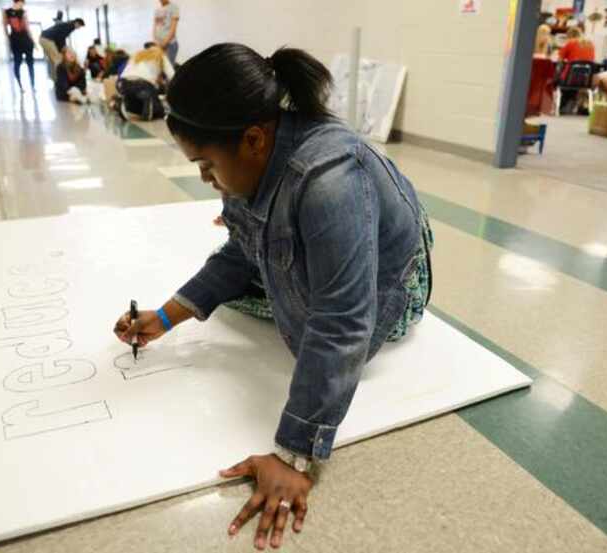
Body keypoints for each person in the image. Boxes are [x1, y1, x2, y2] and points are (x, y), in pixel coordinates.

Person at [113, 43, 433, 550]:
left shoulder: (330, 182)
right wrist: (166, 317)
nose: (205, 179)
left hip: (394, 279)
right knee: (256, 281)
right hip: (330, 239)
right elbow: (245, 248)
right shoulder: (246, 152)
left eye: (205, 165)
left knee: (307, 324)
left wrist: (293, 456)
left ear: (255, 139)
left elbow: (343, 318)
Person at [116, 44, 175, 120]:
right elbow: (172, 76)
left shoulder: (138, 54)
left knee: (134, 104)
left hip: (123, 83)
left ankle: (127, 106)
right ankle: (148, 111)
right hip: (143, 85)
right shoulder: (161, 55)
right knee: (159, 111)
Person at [2, 0, 35, 91]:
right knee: (25, 64)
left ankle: (26, 86)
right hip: (23, 40)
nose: (22, 5)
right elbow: (27, 28)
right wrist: (34, 42)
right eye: (22, 3)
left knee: (22, 63)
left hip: (17, 40)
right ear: (19, 1)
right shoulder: (22, 12)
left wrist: (9, 39)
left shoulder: (6, 12)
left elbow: (5, 27)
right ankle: (28, 86)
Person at [153, 0, 180, 65]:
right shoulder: (157, 10)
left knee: (168, 70)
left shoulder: (174, 8)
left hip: (170, 45)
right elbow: (154, 27)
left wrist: (164, 44)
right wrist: (155, 41)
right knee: (159, 67)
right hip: (159, 45)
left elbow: (173, 30)